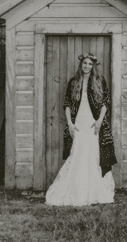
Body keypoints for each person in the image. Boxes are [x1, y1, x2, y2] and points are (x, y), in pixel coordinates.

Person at [45, 53, 117, 206]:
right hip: (78, 123)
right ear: (81, 64)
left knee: (93, 155)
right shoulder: (74, 82)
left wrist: (99, 121)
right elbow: (67, 104)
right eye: (85, 63)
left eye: (90, 64)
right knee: (77, 154)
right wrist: (70, 124)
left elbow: (106, 102)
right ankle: (76, 190)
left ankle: (95, 191)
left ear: (94, 66)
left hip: (93, 122)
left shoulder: (99, 81)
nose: (87, 66)